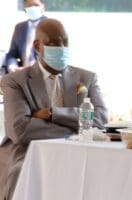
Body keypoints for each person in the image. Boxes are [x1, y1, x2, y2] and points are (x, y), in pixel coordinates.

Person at [0, 18, 108, 199]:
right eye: (53, 43)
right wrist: (75, 128)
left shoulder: (87, 78)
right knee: (20, 174)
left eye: (64, 42)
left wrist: (53, 114)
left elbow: (100, 119)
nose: (61, 48)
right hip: (28, 152)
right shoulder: (15, 81)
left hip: (79, 151)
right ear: (37, 46)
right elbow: (20, 130)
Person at [4, 0, 46, 73]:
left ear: (43, 7)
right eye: (29, 6)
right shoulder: (19, 27)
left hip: (42, 75)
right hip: (20, 75)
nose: (33, 8)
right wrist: (12, 67)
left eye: (36, 5)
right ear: (24, 9)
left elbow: (55, 58)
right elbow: (12, 54)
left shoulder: (52, 26)